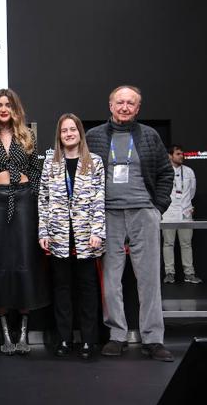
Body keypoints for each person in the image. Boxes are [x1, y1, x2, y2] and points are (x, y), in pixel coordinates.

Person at [86, 85, 174, 362]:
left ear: (137, 108)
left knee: (149, 279)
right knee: (111, 280)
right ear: (110, 106)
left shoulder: (150, 136)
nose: (125, 107)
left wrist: (157, 208)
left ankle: (153, 339)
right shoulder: (94, 136)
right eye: (120, 102)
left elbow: (165, 172)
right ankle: (117, 335)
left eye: (131, 103)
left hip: (143, 213)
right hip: (108, 214)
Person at [0, 88, 50, 355]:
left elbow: (36, 170)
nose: (3, 108)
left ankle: (23, 333)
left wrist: (29, 191)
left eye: (8, 104)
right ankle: (4, 335)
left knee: (24, 260)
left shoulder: (27, 136)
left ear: (15, 108)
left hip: (23, 201)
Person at [38, 113, 105, 360]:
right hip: (58, 237)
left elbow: (99, 199)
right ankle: (64, 339)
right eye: (64, 130)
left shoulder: (94, 162)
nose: (68, 134)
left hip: (87, 236)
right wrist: (43, 231)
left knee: (87, 290)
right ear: (59, 135)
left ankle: (89, 340)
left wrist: (98, 232)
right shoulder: (50, 163)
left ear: (80, 133)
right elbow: (43, 200)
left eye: (72, 130)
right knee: (62, 290)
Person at [162, 145, 201, 284]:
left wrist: (186, 205)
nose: (181, 156)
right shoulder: (164, 171)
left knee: (186, 244)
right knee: (168, 243)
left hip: (185, 211)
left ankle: (189, 274)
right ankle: (169, 273)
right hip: (169, 212)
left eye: (182, 154)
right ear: (170, 156)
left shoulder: (189, 171)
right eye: (178, 154)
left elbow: (192, 191)